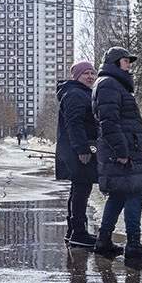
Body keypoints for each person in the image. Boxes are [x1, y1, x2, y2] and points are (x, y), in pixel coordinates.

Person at [91, 47, 142, 259]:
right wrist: (122, 151)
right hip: (124, 152)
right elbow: (108, 122)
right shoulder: (109, 84)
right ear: (115, 62)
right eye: (126, 61)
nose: (129, 65)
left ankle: (103, 240)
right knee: (136, 192)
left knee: (119, 194)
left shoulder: (113, 85)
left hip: (127, 150)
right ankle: (133, 244)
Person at [55, 61, 99, 247]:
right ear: (76, 76)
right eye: (85, 73)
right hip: (78, 150)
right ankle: (79, 233)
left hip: (76, 149)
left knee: (79, 188)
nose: (90, 76)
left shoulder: (81, 92)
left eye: (92, 73)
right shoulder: (74, 94)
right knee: (82, 189)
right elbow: (75, 123)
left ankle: (74, 231)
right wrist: (82, 149)